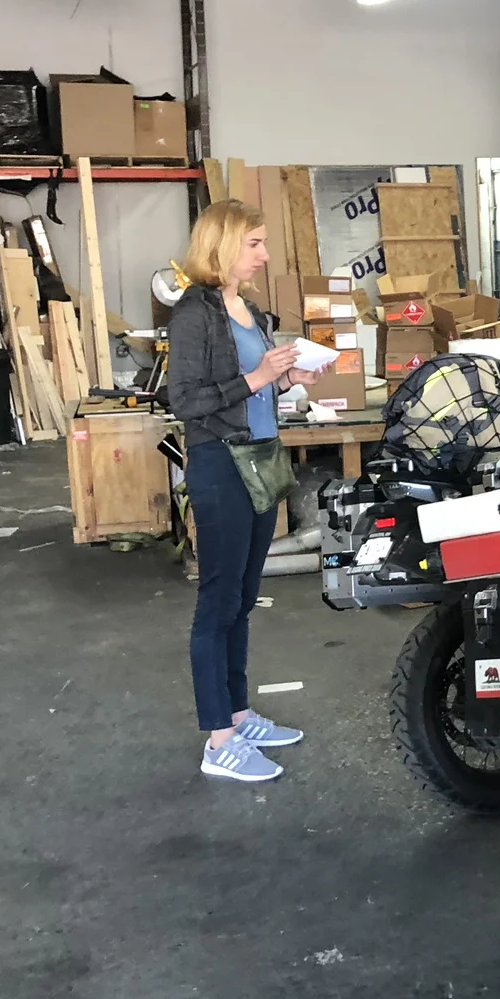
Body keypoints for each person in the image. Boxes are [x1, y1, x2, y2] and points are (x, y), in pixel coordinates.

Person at [166, 201, 307, 782]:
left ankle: (239, 714)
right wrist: (259, 376)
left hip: (260, 461)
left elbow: (253, 390)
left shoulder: (247, 309)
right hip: (220, 465)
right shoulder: (193, 313)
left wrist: (287, 379)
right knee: (219, 601)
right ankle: (218, 740)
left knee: (244, 598)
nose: (264, 255)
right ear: (222, 244)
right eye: (254, 243)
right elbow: (184, 400)